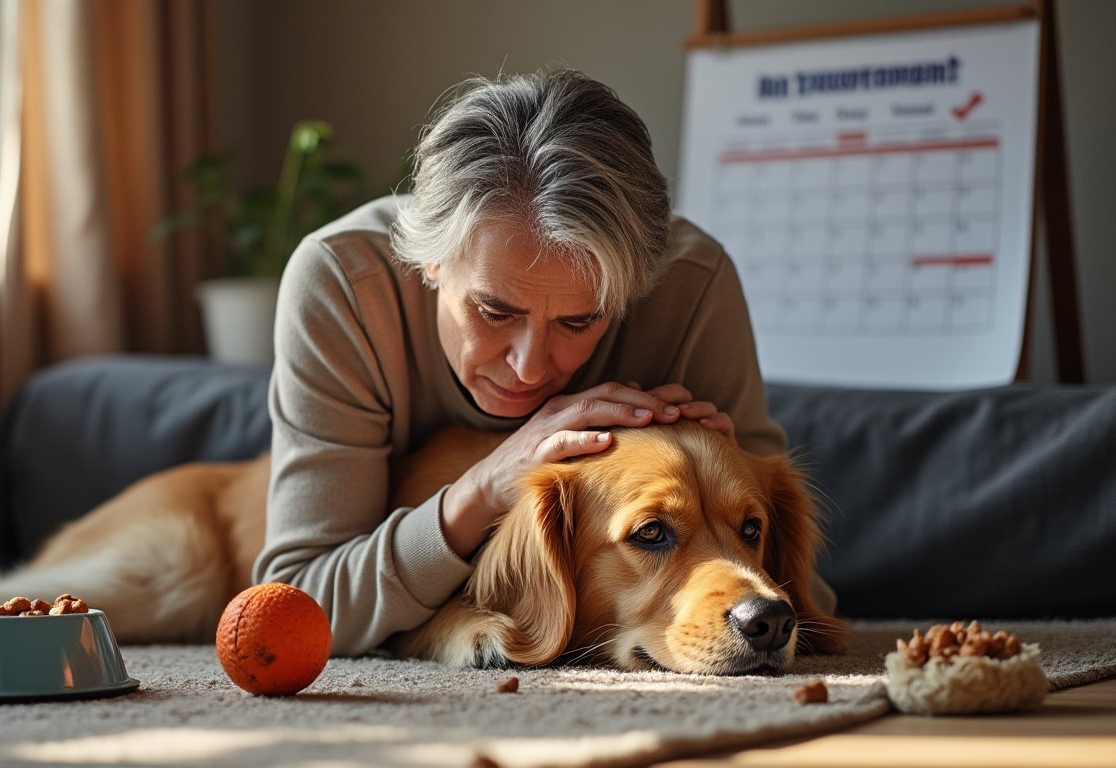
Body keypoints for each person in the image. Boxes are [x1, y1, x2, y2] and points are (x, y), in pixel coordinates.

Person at [254, 68, 799, 656]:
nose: (530, 368)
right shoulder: (344, 283)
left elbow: (794, 587)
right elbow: (294, 605)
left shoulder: (691, 288)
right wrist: (485, 486)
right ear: (431, 264)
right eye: (493, 311)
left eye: (579, 321)